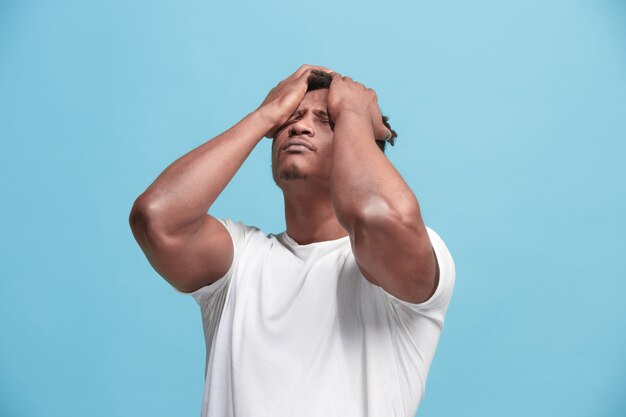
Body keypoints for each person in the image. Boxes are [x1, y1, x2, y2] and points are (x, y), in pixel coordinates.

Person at [129, 64, 456, 417]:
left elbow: (376, 215)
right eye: (292, 117)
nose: (299, 126)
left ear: (358, 142)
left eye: (325, 120)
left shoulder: (408, 256)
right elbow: (156, 218)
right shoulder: (240, 262)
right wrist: (265, 113)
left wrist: (352, 112)